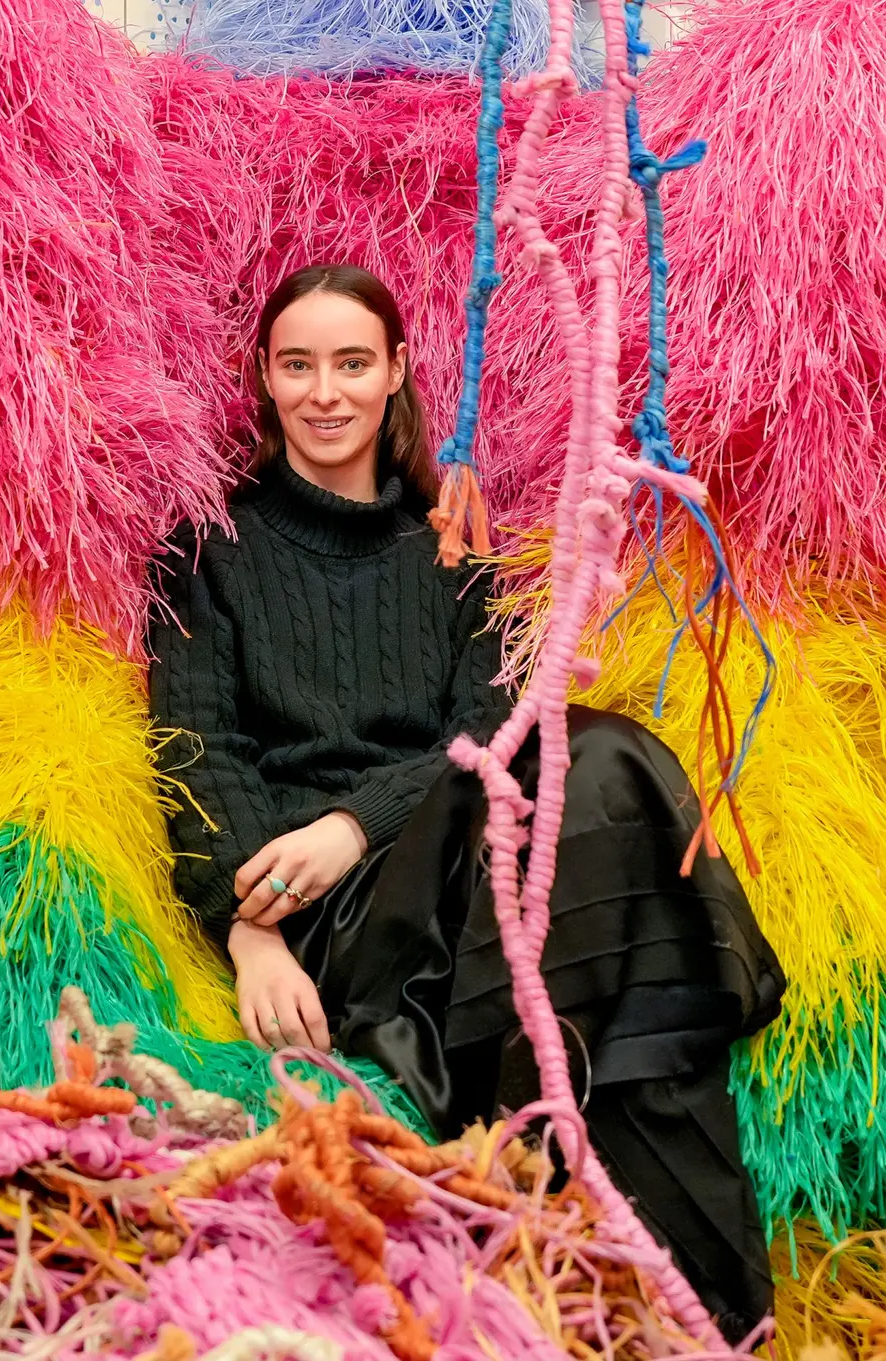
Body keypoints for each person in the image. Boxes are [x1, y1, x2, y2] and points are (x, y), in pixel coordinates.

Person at [149, 263, 785, 1338]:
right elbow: (194, 752)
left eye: (352, 362)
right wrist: (250, 933)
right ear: (262, 377)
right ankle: (633, 1274)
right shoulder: (211, 546)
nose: (325, 392)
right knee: (600, 783)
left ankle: (687, 1312)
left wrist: (357, 822)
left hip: (448, 851)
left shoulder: (452, 547)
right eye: (297, 365)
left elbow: (497, 727)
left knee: (605, 772)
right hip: (328, 913)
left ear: (396, 371)